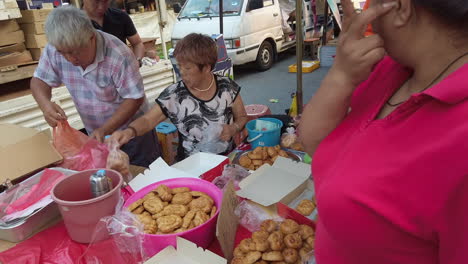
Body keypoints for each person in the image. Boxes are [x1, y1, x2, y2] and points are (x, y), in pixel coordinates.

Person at [299, 0, 468, 263]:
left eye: (369, 2)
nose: (365, 15)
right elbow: (315, 143)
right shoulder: (393, 69)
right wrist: (341, 74)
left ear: (400, 7)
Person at [30, 6, 160, 167]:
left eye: (76, 51)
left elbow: (134, 98)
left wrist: (105, 129)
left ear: (92, 37)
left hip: (133, 134)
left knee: (142, 178)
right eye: (64, 53)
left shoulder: (118, 54)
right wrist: (45, 105)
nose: (70, 59)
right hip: (96, 135)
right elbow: (39, 80)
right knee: (108, 180)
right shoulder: (54, 49)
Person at [110, 33, 248, 161]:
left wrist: (233, 128)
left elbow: (242, 117)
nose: (181, 72)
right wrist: (129, 132)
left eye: (187, 68)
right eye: (179, 66)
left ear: (206, 68)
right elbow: (148, 120)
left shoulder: (227, 87)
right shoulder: (175, 95)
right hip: (191, 166)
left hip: (226, 160)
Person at [82, 0, 146, 66]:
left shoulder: (120, 16)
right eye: (96, 2)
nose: (101, 7)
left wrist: (137, 62)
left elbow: (137, 43)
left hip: (123, 71)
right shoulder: (74, 23)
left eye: (105, 1)